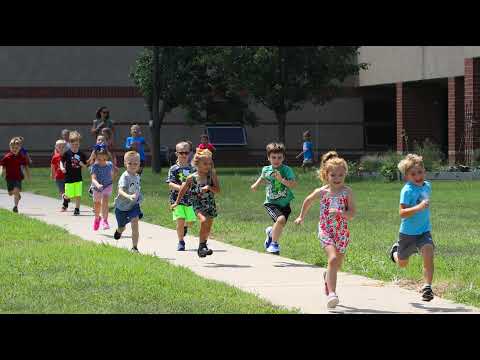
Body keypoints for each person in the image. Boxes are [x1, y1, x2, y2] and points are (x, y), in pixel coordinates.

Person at [294, 151, 356, 309]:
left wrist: (342, 213)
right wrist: (301, 216)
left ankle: (327, 276)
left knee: (336, 265)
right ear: (326, 175)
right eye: (333, 175)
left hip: (341, 232)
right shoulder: (322, 192)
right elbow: (308, 201)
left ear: (345, 175)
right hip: (326, 230)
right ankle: (332, 294)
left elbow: (352, 213)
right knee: (333, 259)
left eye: (340, 175)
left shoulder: (347, 192)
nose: (337, 179)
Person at [389, 154, 435, 302]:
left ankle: (427, 287)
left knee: (428, 252)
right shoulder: (407, 191)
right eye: (413, 174)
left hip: (424, 231)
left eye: (420, 172)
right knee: (403, 264)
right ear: (407, 176)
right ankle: (395, 252)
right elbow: (402, 213)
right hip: (408, 233)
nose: (417, 176)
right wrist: (419, 207)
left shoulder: (427, 186)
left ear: (424, 171)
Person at [171, 149, 220, 258]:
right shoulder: (191, 178)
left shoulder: (211, 175)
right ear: (197, 164)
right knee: (203, 220)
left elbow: (218, 190)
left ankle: (202, 247)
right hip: (197, 203)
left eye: (209, 164)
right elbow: (183, 190)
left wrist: (209, 187)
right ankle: (202, 246)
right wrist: (176, 202)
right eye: (205, 164)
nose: (208, 166)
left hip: (210, 203)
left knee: (208, 226)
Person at [250, 142, 297, 255]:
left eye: (279, 157)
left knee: (280, 224)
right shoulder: (266, 169)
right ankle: (274, 245)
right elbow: (263, 177)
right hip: (271, 202)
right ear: (268, 158)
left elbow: (293, 184)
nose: (276, 160)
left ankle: (271, 233)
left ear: (283, 158)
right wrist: (256, 184)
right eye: (273, 157)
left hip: (285, 203)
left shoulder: (286, 170)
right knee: (280, 220)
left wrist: (281, 180)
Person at [166, 141, 196, 251]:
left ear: (190, 153)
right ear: (176, 154)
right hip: (176, 200)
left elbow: (196, 182)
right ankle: (181, 242)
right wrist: (181, 188)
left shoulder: (192, 169)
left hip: (190, 200)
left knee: (191, 220)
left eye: (186, 153)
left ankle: (185, 228)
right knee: (180, 219)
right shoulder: (173, 169)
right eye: (181, 153)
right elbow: (170, 183)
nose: (184, 155)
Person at [113, 151, 144, 253]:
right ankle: (119, 231)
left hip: (133, 206)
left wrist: (138, 198)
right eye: (130, 163)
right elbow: (120, 190)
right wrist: (129, 196)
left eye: (135, 163)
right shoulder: (124, 176)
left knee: (135, 223)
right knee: (122, 227)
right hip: (121, 207)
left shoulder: (137, 176)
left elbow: (136, 189)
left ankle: (134, 247)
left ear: (139, 164)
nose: (133, 166)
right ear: (125, 163)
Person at [0, 137, 31, 213]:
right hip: (9, 177)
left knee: (16, 190)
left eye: (16, 148)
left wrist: (28, 175)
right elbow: (2, 165)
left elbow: (25, 166)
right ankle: (17, 194)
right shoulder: (7, 157)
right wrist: (1, 172)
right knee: (11, 193)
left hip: (18, 177)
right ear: (10, 147)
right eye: (12, 147)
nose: (14, 149)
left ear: (20, 148)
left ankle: (15, 207)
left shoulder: (21, 157)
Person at [60, 131, 88, 216]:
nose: (75, 146)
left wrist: (81, 164)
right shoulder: (67, 153)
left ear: (79, 144)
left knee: (78, 194)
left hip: (78, 177)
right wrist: (62, 168)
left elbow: (85, 166)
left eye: (77, 144)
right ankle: (65, 198)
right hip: (68, 177)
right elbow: (61, 161)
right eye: (73, 144)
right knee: (68, 195)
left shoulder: (81, 154)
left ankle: (77, 209)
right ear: (70, 143)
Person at [90, 147, 115, 231]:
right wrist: (97, 185)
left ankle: (105, 220)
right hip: (97, 188)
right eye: (99, 159)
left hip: (107, 186)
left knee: (105, 201)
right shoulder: (94, 166)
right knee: (97, 205)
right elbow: (93, 178)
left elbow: (111, 174)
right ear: (96, 158)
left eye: (104, 159)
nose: (101, 161)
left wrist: (111, 180)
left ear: (107, 157)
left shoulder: (110, 164)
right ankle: (97, 219)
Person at [50, 139, 70, 211]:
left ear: (66, 147)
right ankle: (65, 201)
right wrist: (52, 174)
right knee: (62, 191)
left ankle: (65, 205)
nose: (61, 148)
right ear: (56, 147)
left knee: (67, 191)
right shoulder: (55, 157)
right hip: (58, 177)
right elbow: (52, 166)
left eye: (63, 146)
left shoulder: (68, 156)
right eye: (59, 146)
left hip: (67, 177)